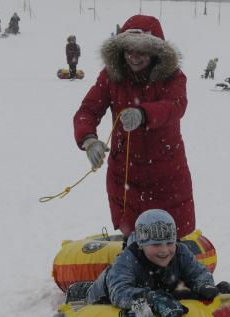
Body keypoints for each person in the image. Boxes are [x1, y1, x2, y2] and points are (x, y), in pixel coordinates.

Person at [73, 15, 195, 240]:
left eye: (142, 51)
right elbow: (87, 111)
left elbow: (176, 106)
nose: (134, 57)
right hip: (125, 176)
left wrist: (143, 114)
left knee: (169, 242)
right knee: (133, 240)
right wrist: (89, 140)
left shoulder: (173, 77)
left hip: (166, 176)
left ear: (156, 52)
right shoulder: (111, 77)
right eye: (129, 50)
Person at [84, 210, 219, 317]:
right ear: (141, 244)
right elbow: (119, 292)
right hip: (104, 298)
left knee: (184, 293)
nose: (164, 250)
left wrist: (203, 284)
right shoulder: (127, 260)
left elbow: (198, 272)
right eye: (156, 244)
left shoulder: (180, 252)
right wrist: (153, 298)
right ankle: (79, 289)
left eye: (169, 242)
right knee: (84, 291)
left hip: (156, 286)